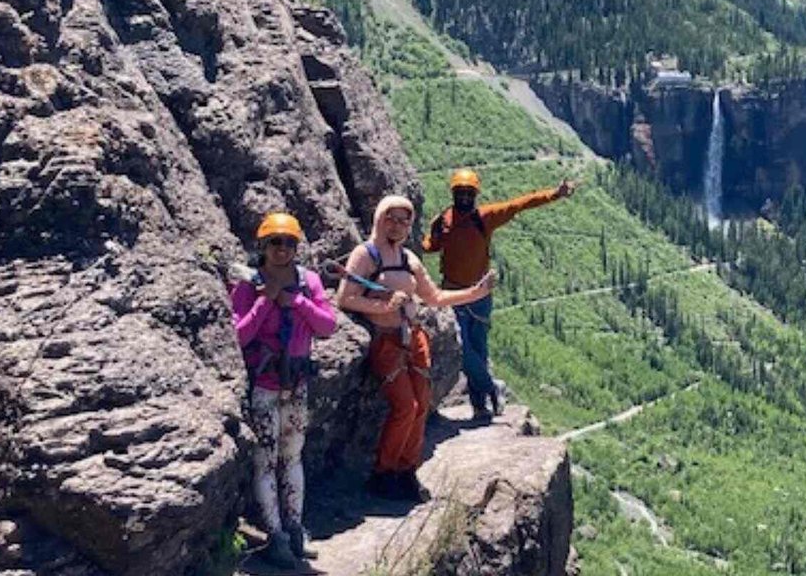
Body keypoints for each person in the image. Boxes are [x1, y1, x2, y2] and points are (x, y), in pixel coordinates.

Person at [335, 194, 496, 501]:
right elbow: (346, 298)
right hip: (386, 339)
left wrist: (475, 292)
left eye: (403, 220)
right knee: (405, 407)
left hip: (413, 336)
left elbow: (434, 297)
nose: (396, 226)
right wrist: (382, 307)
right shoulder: (365, 255)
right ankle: (384, 472)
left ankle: (406, 470)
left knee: (421, 406)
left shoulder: (408, 259)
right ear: (379, 219)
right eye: (391, 219)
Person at [423, 168, 575, 421]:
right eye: (460, 193)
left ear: (475, 195)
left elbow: (520, 204)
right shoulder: (443, 221)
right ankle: (493, 387)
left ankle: (480, 406)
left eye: (468, 193)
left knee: (478, 351)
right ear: (453, 193)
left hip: (480, 296)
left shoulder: (485, 217)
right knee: (464, 350)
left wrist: (555, 194)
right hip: (454, 296)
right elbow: (431, 246)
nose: (464, 197)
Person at [232, 212, 336, 569]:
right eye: (275, 242)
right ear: (263, 244)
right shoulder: (249, 285)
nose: (282, 249)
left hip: (296, 383)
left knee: (291, 458)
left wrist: (295, 302)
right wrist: (266, 300)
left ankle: (294, 529)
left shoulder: (308, 282)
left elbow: (328, 326)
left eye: (289, 242)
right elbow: (240, 335)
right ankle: (275, 535)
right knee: (265, 461)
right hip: (264, 384)